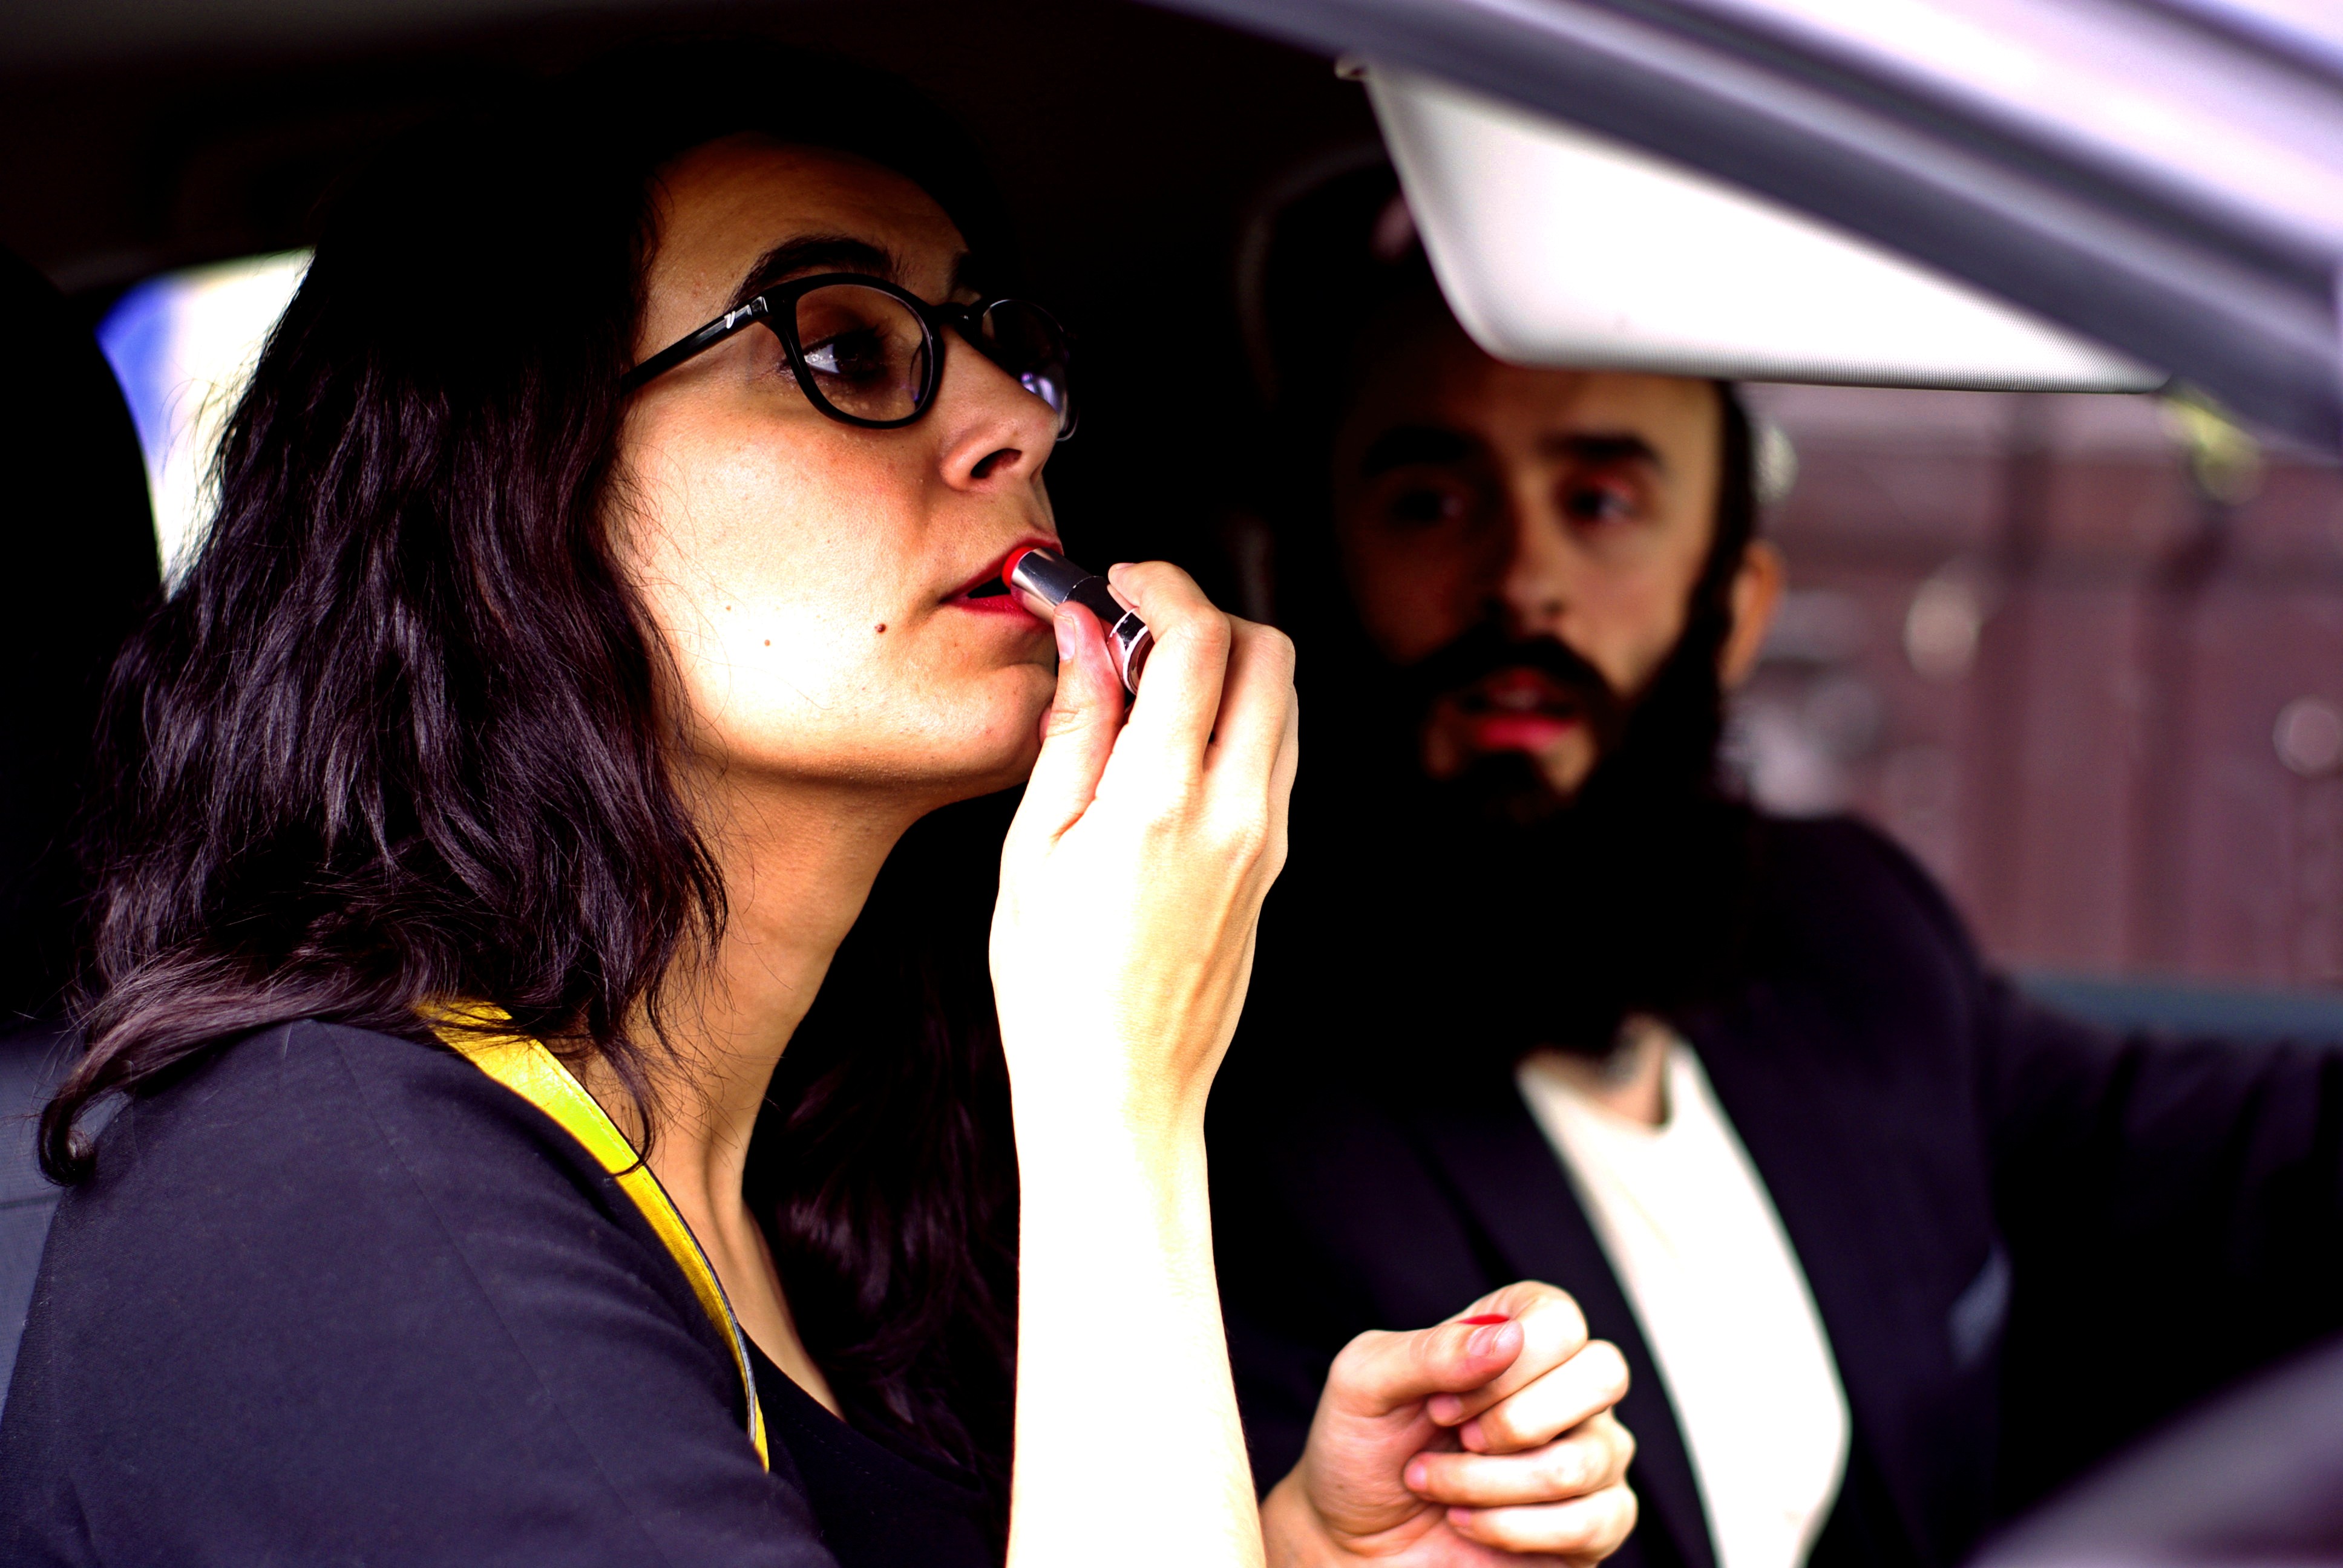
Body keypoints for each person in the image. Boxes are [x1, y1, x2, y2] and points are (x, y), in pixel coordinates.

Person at [0, 59, 1639, 1568]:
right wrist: (1121, 1101)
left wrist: (1289, 1555)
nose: (1018, 421)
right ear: (508, 488)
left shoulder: (824, 1185)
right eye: (846, 348)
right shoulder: (333, 1203)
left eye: (999, 343)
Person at [1207, 163, 2343, 1568]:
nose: (1520, 581)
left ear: (1734, 606)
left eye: (1601, 500)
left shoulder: (1837, 931)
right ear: (1302, 576)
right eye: (1431, 503)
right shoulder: (1211, 1090)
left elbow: (2236, 1158)